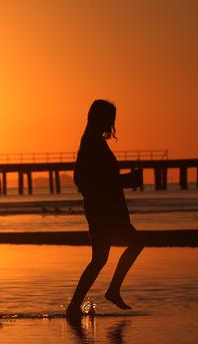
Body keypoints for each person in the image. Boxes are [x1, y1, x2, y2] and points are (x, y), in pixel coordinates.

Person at [66, 100, 145, 319]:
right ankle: (112, 290)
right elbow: (90, 180)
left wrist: (123, 181)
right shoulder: (93, 144)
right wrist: (128, 180)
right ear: (100, 118)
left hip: (101, 208)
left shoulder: (91, 142)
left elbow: (94, 179)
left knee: (99, 259)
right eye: (110, 118)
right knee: (137, 242)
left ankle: (75, 305)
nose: (112, 123)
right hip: (104, 209)